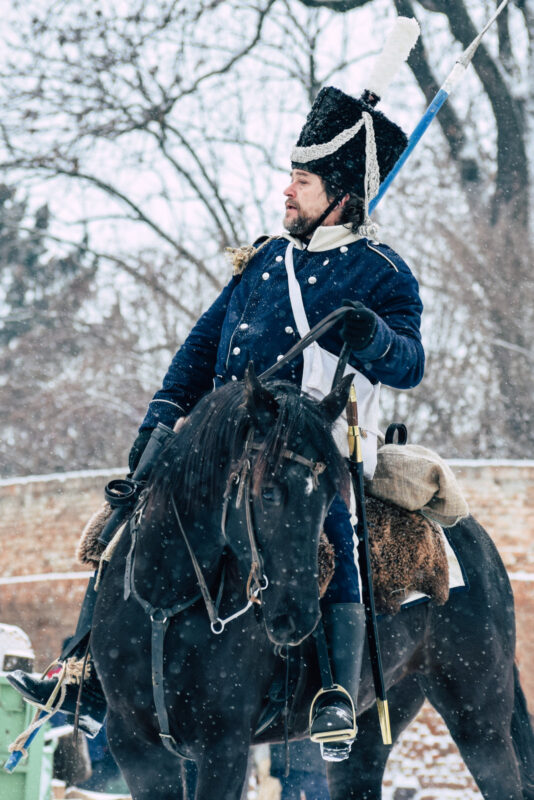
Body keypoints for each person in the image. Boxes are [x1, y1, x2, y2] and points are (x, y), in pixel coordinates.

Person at [8, 81, 424, 761]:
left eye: (302, 180)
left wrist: (373, 333)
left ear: (341, 194)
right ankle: (82, 673)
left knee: (330, 528)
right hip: (217, 440)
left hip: (307, 443)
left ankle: (335, 694)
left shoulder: (383, 274)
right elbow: (199, 350)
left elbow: (409, 362)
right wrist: (159, 420)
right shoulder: (265, 258)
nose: (287, 192)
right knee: (129, 517)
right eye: (290, 177)